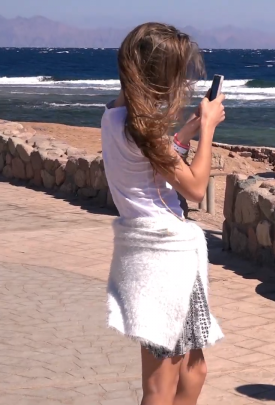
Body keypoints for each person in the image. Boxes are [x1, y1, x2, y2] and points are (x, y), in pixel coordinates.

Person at [101, 22, 226, 405]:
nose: (183, 82)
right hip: (164, 261)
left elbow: (147, 165)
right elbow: (195, 186)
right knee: (162, 384)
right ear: (160, 77)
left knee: (193, 369)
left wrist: (183, 134)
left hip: (154, 258)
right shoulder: (146, 130)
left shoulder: (113, 115)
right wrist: (206, 128)